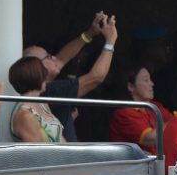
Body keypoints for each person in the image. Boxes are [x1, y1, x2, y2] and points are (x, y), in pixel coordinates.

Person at [23, 13, 117, 142]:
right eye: (48, 56)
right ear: (38, 67)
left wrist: (89, 34)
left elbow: (62, 58)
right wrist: (110, 41)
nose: (55, 57)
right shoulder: (51, 90)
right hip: (65, 157)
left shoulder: (43, 87)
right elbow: (96, 77)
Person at [109, 66, 171, 154]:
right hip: (137, 165)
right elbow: (150, 139)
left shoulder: (154, 106)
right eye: (146, 80)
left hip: (156, 163)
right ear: (130, 86)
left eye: (150, 79)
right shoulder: (123, 113)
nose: (152, 84)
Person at [8, 56, 65, 144]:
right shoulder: (25, 115)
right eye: (43, 72)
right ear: (34, 76)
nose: (46, 76)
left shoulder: (42, 104)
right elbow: (37, 155)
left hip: (63, 156)